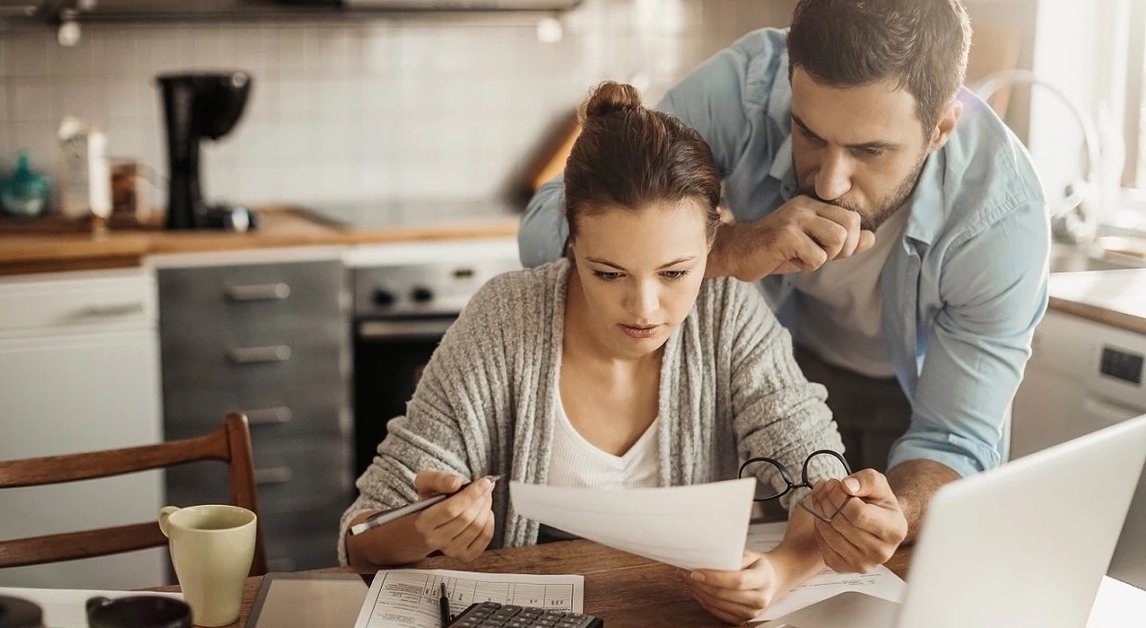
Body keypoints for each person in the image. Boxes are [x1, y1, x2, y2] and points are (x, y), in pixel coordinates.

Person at [340, 81, 905, 624]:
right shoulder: (505, 319)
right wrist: (425, 528)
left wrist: (781, 571)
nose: (644, 307)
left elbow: (818, 482)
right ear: (571, 242)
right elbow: (360, 537)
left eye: (675, 273)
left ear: (713, 244)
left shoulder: (728, 312)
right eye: (608, 273)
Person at [519, 0, 1049, 575]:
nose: (829, 179)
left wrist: (900, 510)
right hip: (761, 388)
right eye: (809, 134)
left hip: (908, 397)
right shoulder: (743, 91)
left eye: (870, 151)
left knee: (899, 576)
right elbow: (547, 224)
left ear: (942, 126)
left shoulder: (1000, 219)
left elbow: (954, 440)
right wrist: (728, 248)